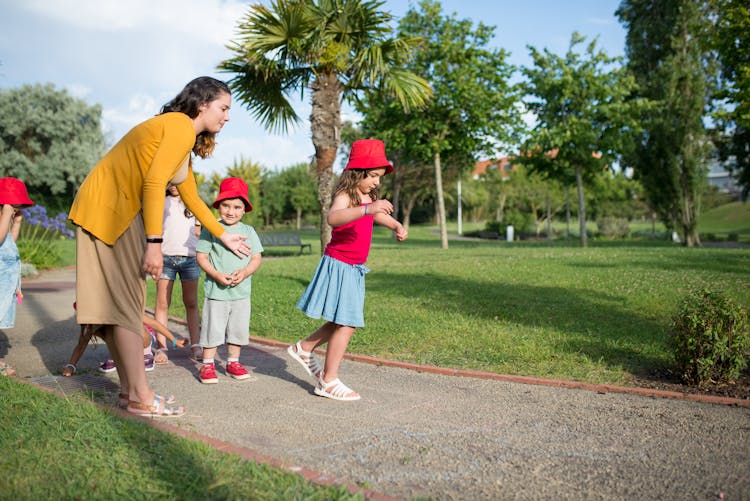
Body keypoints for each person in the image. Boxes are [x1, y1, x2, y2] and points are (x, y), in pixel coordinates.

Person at [68, 76, 251, 417]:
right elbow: (154, 183)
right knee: (126, 303)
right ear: (202, 104)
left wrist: (222, 234)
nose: (227, 116)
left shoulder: (180, 135)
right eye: (224, 108)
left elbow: (192, 196)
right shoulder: (181, 126)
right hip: (110, 212)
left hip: (106, 210)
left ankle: (130, 393)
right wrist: (155, 243)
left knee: (117, 306)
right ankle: (139, 394)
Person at [287, 139, 407, 401]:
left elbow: (376, 216)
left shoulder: (367, 198)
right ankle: (328, 380)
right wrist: (366, 208)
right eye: (373, 175)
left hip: (353, 267)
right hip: (339, 264)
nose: (376, 181)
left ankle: (305, 348)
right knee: (348, 322)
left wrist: (395, 224)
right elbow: (334, 218)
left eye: (379, 177)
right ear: (357, 172)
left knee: (343, 319)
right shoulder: (348, 196)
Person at [195, 177, 263, 384]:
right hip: (217, 293)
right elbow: (201, 257)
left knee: (237, 329)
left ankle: (233, 362)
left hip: (241, 293)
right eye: (226, 205)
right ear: (218, 206)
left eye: (236, 207)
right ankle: (207, 365)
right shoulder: (212, 229)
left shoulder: (248, 231)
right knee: (212, 328)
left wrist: (244, 272)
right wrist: (215, 275)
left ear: (244, 210)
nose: (230, 211)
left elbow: (256, 257)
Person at [153, 185, 202, 364]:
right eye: (170, 180)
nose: (174, 185)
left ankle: (196, 345)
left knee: (191, 303)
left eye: (178, 180)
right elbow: (154, 230)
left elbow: (198, 231)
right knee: (162, 304)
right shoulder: (160, 202)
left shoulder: (194, 203)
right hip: (165, 259)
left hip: (190, 259)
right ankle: (161, 347)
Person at [0, 177, 34, 377]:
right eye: (15, 205)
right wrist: (6, 213)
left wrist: (17, 221)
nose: (16, 208)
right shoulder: (2, 216)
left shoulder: (5, 219)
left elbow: (8, 242)